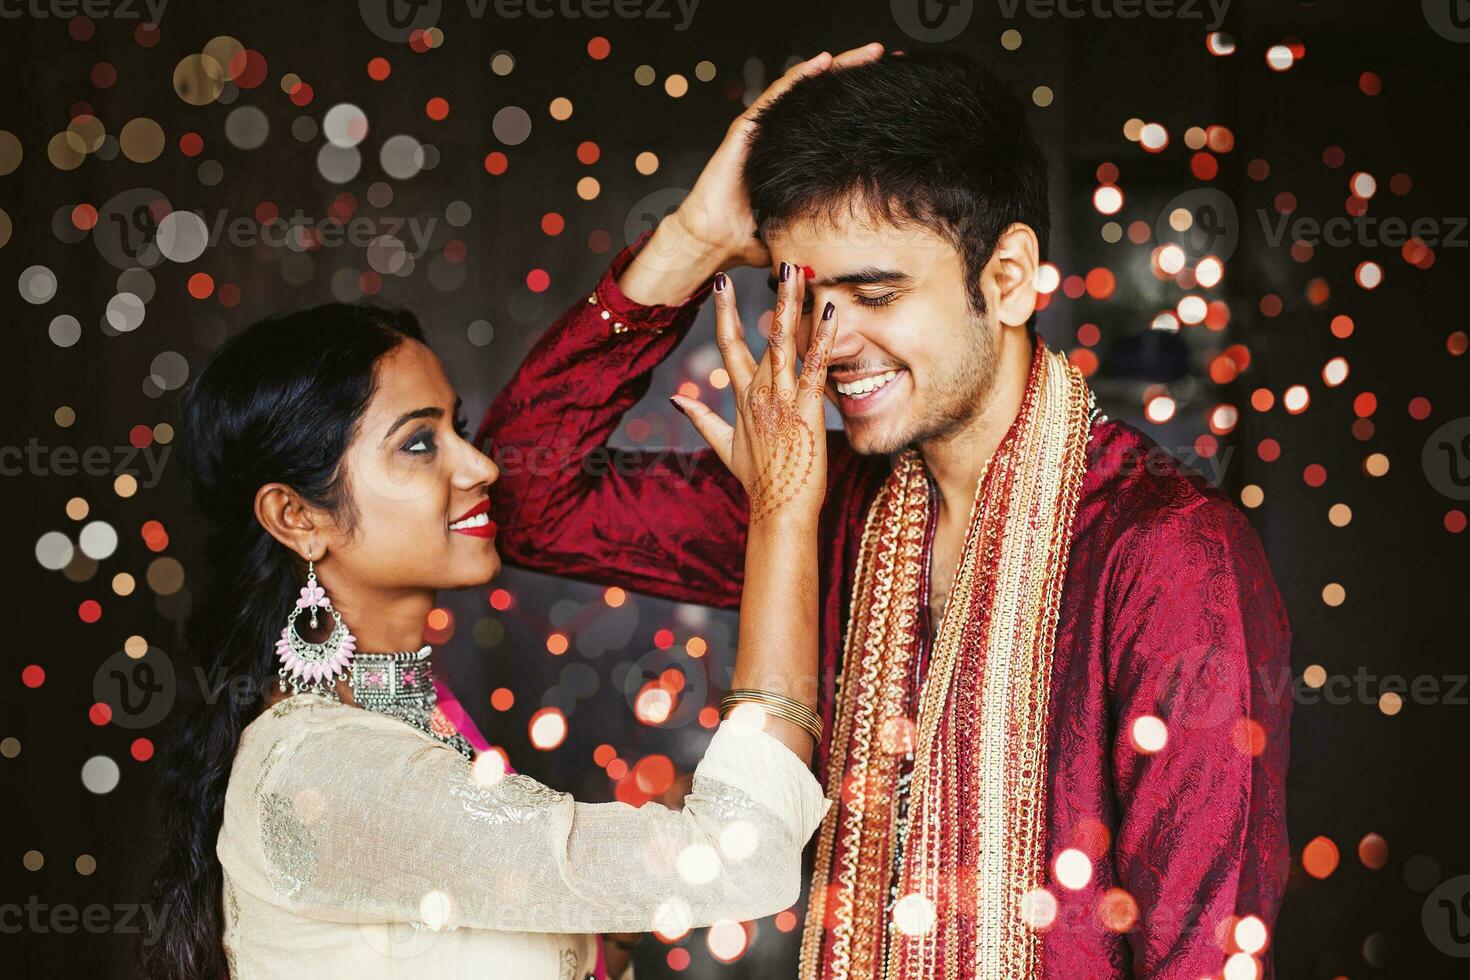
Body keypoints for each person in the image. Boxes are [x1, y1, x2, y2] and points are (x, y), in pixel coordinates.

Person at [478, 47, 1293, 978]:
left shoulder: (1166, 552)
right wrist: (695, 238)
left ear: (1008, 278)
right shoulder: (815, 508)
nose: (833, 345)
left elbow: (1203, 951)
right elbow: (521, 492)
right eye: (806, 303)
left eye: (874, 295)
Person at [140, 292, 840, 978]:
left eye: (457, 429)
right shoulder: (321, 771)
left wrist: (618, 909)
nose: (480, 467)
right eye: (419, 444)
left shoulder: (416, 722)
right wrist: (782, 509)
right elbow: (740, 855)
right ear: (296, 516)